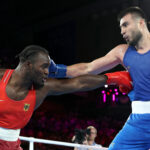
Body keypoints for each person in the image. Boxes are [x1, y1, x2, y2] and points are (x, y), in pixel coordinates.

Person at [49, 6, 150, 150]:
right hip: (138, 122)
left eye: (126, 25)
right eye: (120, 27)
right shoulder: (122, 51)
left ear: (141, 22)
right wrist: (57, 70)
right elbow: (89, 68)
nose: (122, 31)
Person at [0, 45, 131, 150]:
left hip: (12, 144)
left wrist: (112, 78)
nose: (47, 71)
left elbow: (79, 83)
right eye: (44, 66)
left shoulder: (42, 88)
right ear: (28, 65)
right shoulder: (1, 77)